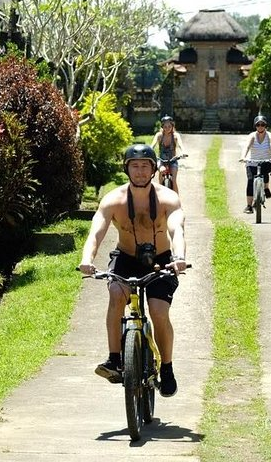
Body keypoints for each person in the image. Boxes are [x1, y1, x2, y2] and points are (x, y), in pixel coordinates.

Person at [79, 143, 187, 397]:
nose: (139, 172)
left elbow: (177, 229)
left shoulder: (167, 199)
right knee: (116, 294)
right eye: (134, 166)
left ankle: (168, 368)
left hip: (161, 260)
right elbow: (96, 232)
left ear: (153, 170)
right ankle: (115, 359)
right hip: (125, 259)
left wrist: (180, 257)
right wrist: (87, 258)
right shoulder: (113, 200)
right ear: (127, 169)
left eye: (145, 166)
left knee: (159, 312)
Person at [239, 115, 271, 214]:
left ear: (266, 126)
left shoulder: (269, 136)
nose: (260, 127)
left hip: (266, 160)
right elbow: (247, 147)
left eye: (262, 125)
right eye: (258, 125)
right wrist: (243, 157)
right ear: (255, 126)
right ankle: (249, 206)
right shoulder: (252, 136)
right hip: (252, 162)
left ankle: (266, 187)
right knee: (250, 180)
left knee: (267, 170)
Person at [151, 115, 185, 195]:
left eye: (169, 126)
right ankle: (159, 195)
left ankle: (176, 200)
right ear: (162, 126)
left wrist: (183, 151)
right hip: (161, 160)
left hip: (173, 160)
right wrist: (149, 150)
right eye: (165, 126)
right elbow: (152, 145)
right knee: (161, 171)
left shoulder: (176, 135)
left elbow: (180, 144)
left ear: (172, 126)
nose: (167, 128)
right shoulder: (159, 135)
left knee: (173, 180)